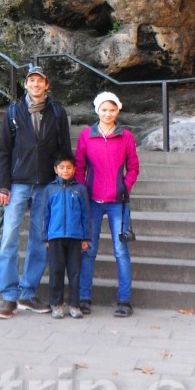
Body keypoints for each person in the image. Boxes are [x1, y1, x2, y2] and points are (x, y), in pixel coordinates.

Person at [0, 64, 72, 319]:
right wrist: (0, 185)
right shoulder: (14, 112)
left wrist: (63, 182)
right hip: (17, 182)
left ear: (47, 85)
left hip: (46, 183)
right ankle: (9, 296)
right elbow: (3, 151)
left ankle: (27, 293)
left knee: (40, 238)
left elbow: (64, 150)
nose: (35, 85)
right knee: (9, 239)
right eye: (31, 81)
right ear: (25, 84)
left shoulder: (57, 113)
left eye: (40, 81)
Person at [75, 91, 139, 317]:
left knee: (121, 252)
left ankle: (124, 300)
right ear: (97, 110)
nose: (108, 113)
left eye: (112, 109)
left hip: (117, 203)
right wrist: (81, 191)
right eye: (104, 109)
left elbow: (133, 167)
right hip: (91, 201)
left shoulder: (126, 137)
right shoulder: (86, 136)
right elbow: (79, 166)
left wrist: (125, 186)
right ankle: (84, 298)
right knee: (88, 251)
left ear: (118, 111)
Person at [43, 151, 90, 318]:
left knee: (75, 272)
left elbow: (86, 215)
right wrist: (45, 236)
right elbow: (45, 214)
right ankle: (56, 304)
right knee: (56, 270)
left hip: (75, 237)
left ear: (74, 169)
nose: (65, 171)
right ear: (56, 169)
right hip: (55, 237)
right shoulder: (50, 189)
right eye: (61, 167)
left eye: (69, 167)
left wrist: (86, 237)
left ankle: (74, 305)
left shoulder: (80, 190)